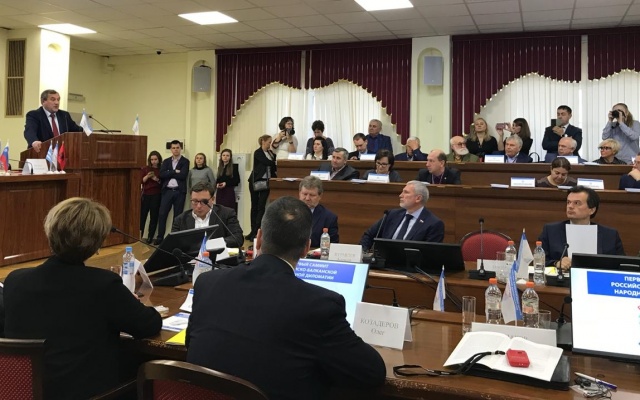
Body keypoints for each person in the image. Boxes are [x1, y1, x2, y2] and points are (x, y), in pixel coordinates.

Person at [186, 196, 386, 400]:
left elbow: (190, 343)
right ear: (306, 248)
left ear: (259, 238)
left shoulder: (207, 283)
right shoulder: (320, 305)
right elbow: (372, 373)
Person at [1, 197, 161, 400]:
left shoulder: (15, 281)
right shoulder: (103, 285)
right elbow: (149, 325)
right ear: (97, 243)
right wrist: (132, 302)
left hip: (24, 392)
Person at [538, 186, 624, 271]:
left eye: (577, 203)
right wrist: (556, 263)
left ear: (592, 210)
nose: (570, 206)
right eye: (568, 202)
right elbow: (539, 261)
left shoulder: (610, 235)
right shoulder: (551, 231)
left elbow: (622, 264)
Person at [360, 181, 444, 250]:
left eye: (406, 192)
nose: (400, 195)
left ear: (418, 198)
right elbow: (369, 235)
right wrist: (363, 252)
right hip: (384, 263)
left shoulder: (433, 224)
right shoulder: (392, 214)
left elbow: (430, 254)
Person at [172, 182, 244, 248]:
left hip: (218, 256)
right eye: (195, 201)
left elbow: (238, 238)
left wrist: (213, 244)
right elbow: (173, 244)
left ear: (212, 199)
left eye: (204, 201)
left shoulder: (226, 214)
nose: (199, 206)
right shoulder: (180, 220)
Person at [156, 140, 190, 245]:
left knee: (178, 216)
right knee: (162, 214)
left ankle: (173, 239)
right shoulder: (166, 161)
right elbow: (162, 174)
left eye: (177, 148)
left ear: (181, 149)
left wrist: (169, 173)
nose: (175, 150)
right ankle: (160, 237)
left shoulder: (185, 161)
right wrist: (175, 171)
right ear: (171, 149)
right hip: (167, 191)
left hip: (179, 192)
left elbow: (183, 175)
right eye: (173, 148)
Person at [247, 134, 277, 241]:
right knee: (254, 206)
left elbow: (273, 166)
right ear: (263, 141)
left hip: (266, 183)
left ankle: (257, 231)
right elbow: (268, 162)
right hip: (255, 182)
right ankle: (252, 231)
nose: (270, 144)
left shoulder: (271, 153)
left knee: (261, 206)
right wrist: (274, 162)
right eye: (269, 142)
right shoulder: (258, 152)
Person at [298, 176, 339, 248]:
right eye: (304, 194)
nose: (307, 198)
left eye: (312, 195)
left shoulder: (329, 218)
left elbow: (333, 246)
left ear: (320, 196)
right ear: (299, 193)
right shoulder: (288, 212)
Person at [140, 150, 162, 243]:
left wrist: (155, 179)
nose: (154, 161)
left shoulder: (161, 169)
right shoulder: (145, 168)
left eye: (155, 159)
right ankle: (140, 235)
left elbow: (162, 183)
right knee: (142, 216)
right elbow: (141, 181)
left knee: (154, 217)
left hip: (156, 195)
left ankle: (150, 237)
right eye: (152, 159)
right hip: (146, 194)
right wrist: (147, 176)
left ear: (159, 159)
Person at [216, 148, 240, 213]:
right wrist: (217, 184)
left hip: (228, 191)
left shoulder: (234, 167)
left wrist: (226, 183)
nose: (225, 157)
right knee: (219, 210)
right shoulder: (220, 167)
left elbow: (237, 180)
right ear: (221, 157)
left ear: (230, 157)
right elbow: (218, 179)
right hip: (220, 192)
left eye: (227, 155)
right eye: (223, 155)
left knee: (228, 210)